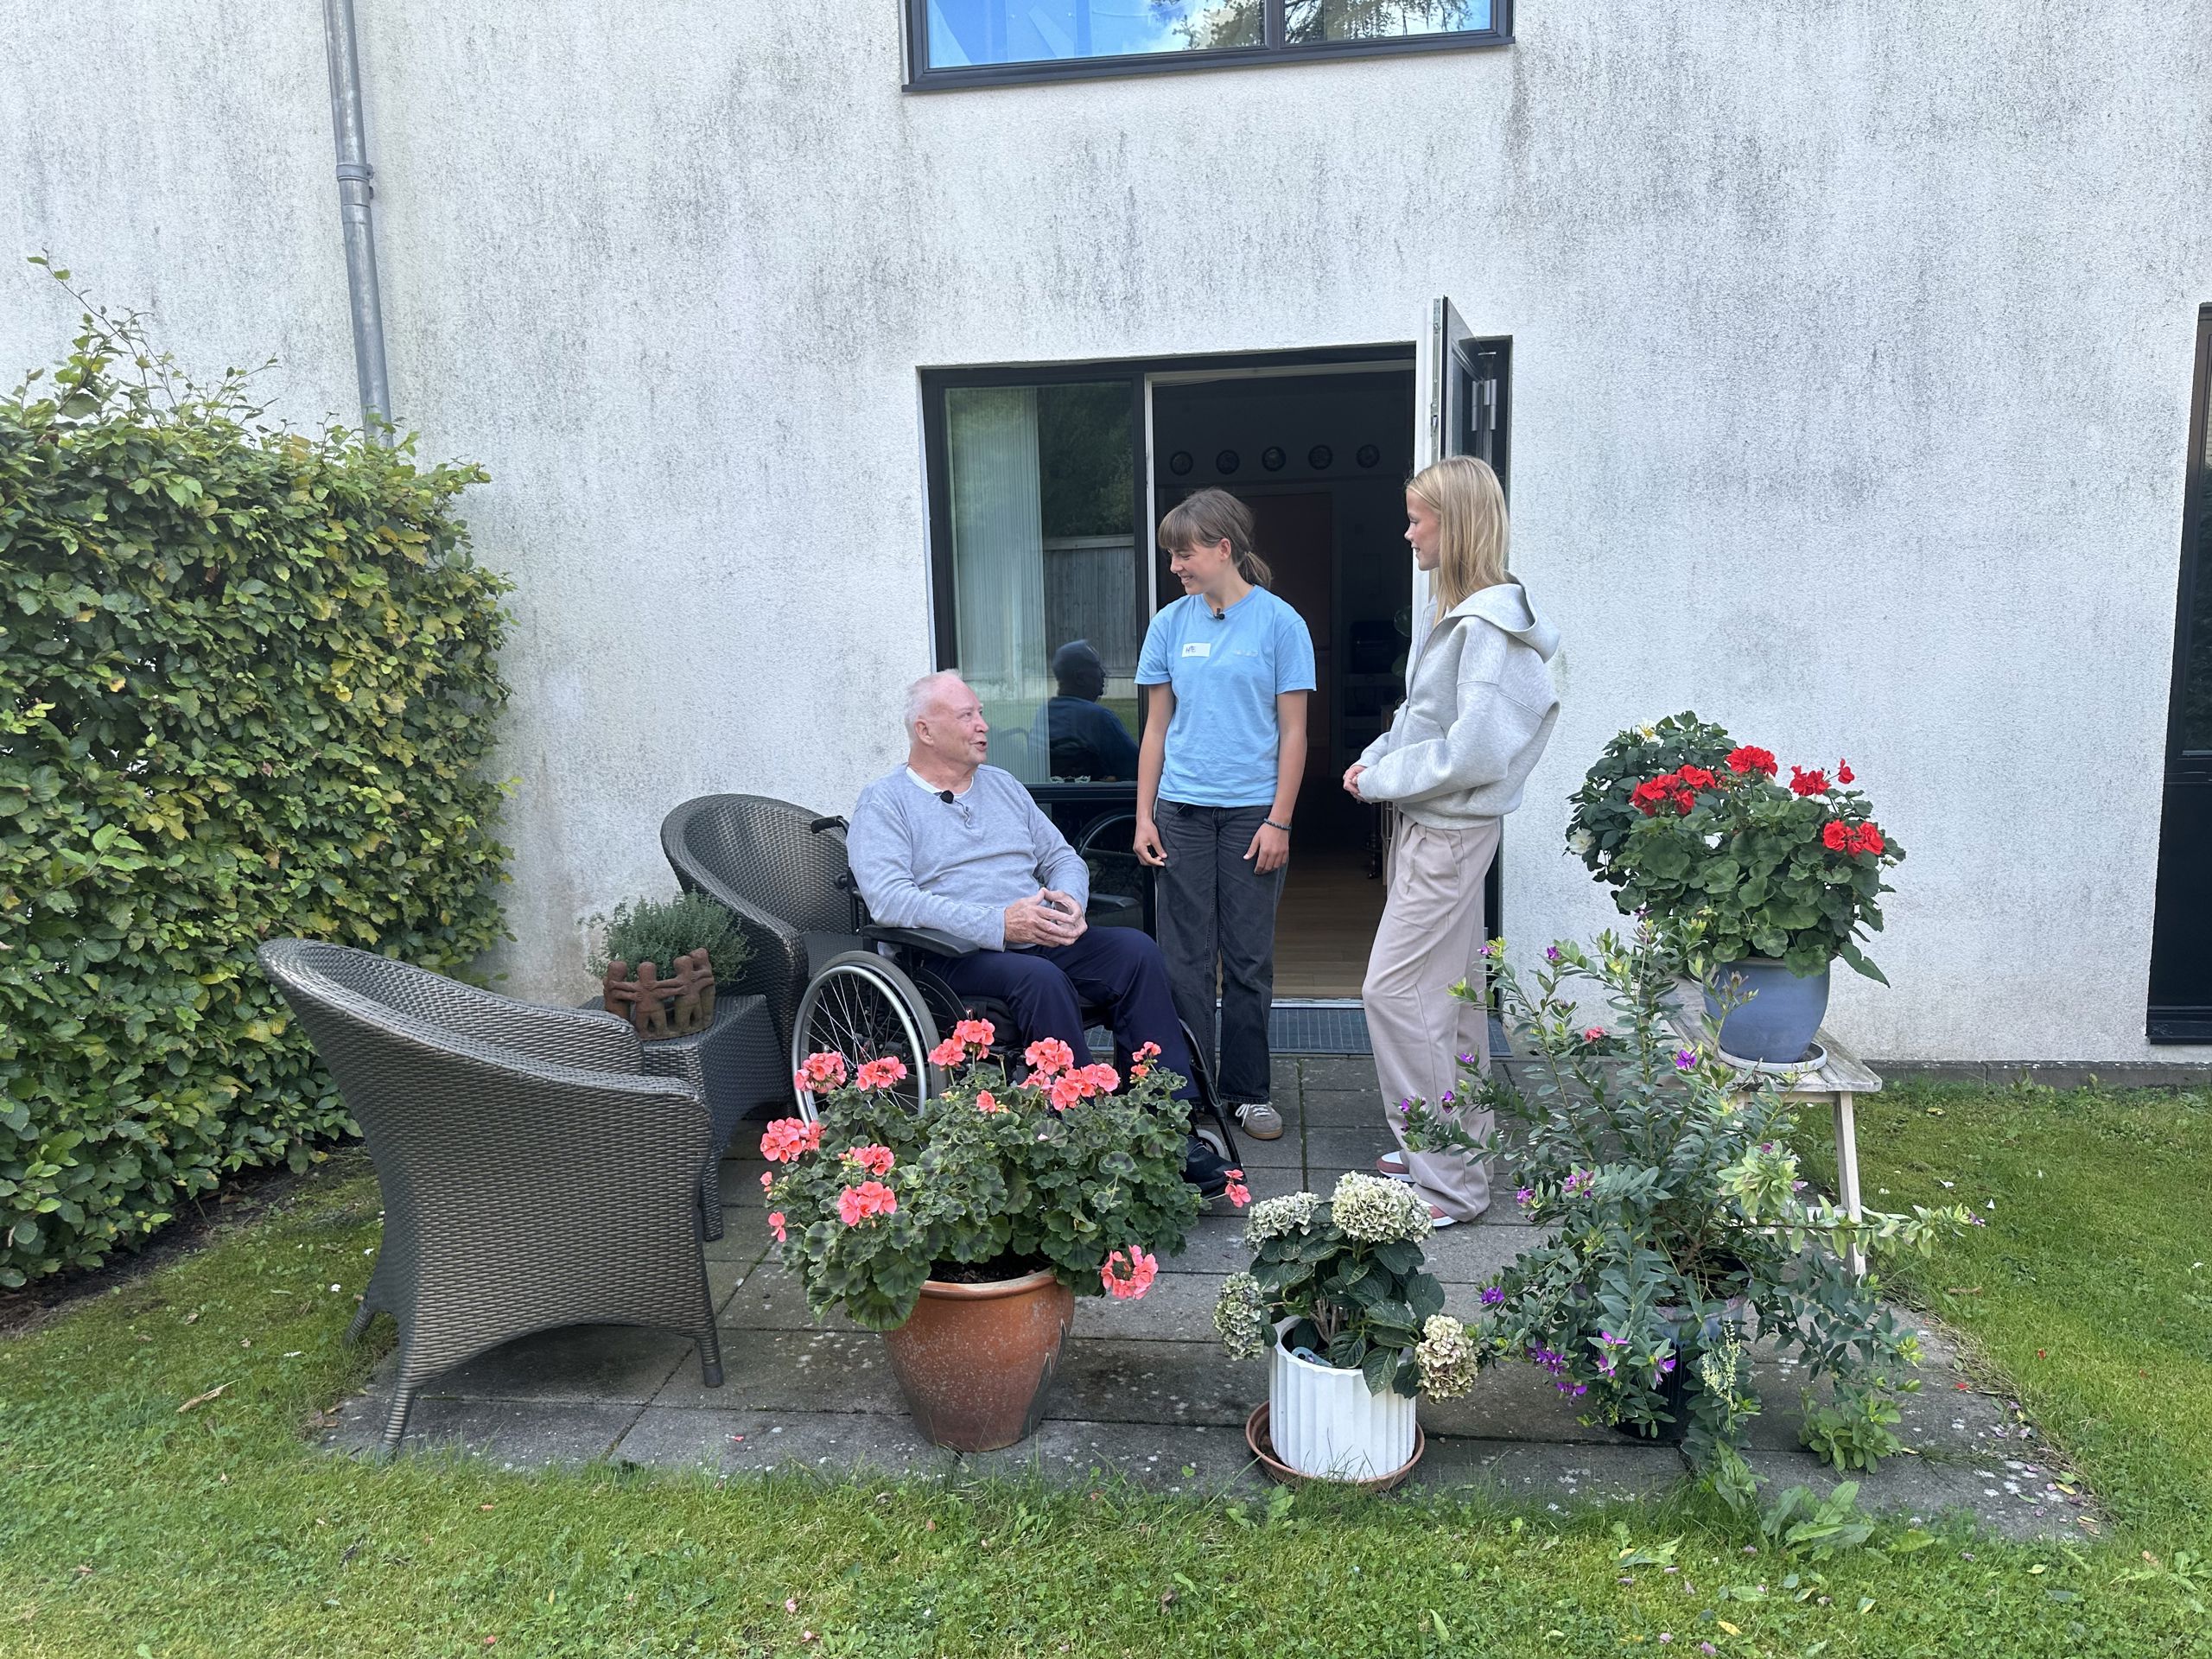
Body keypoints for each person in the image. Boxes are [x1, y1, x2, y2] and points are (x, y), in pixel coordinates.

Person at [847, 671, 1232, 1192]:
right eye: (967, 716)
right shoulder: (885, 802)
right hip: (950, 956)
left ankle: (1169, 1120)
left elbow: (1061, 857)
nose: (984, 726)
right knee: (1039, 980)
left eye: (981, 713)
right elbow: (890, 900)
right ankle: (1084, 1131)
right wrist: (998, 923)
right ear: (926, 730)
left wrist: (1069, 901)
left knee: (1135, 952)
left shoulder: (1002, 786)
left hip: (1036, 935)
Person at [1345, 454, 1559, 1225]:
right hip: (1434, 826)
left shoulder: (1489, 630)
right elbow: (1424, 723)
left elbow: (1474, 750)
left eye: (1418, 518)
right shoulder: (1459, 617)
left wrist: (1380, 781)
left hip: (1447, 833)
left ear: (1457, 522)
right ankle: (1453, 1147)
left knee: (1394, 992)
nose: (1407, 533)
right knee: (1453, 997)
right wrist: (1375, 759)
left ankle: (1447, 1184)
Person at [1133, 489, 1315, 1142]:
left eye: (1184, 554)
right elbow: (1156, 729)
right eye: (1172, 556)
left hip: (1250, 819)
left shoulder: (1280, 625)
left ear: (1223, 549)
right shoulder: (1169, 625)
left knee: (1246, 961)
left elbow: (1294, 734)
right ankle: (1189, 1093)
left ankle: (1247, 1093)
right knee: (1182, 960)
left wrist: (1280, 821)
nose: (1176, 566)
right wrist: (1143, 815)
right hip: (1179, 813)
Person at [1033, 639, 1140, 781]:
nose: (1104, 673)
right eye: (1097, 667)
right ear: (1080, 677)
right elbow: (1138, 770)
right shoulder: (1100, 718)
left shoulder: (1043, 714)